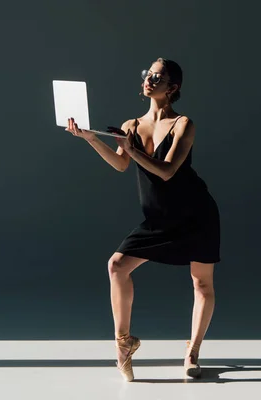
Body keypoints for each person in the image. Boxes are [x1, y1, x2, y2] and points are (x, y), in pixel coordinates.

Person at [64, 58, 220, 381]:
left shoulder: (183, 125)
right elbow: (122, 165)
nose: (150, 79)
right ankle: (124, 346)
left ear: (172, 88)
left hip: (196, 214)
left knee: (202, 284)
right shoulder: (132, 125)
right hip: (158, 219)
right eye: (148, 74)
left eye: (158, 76)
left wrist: (132, 151)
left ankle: (192, 353)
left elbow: (166, 171)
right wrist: (91, 139)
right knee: (117, 266)